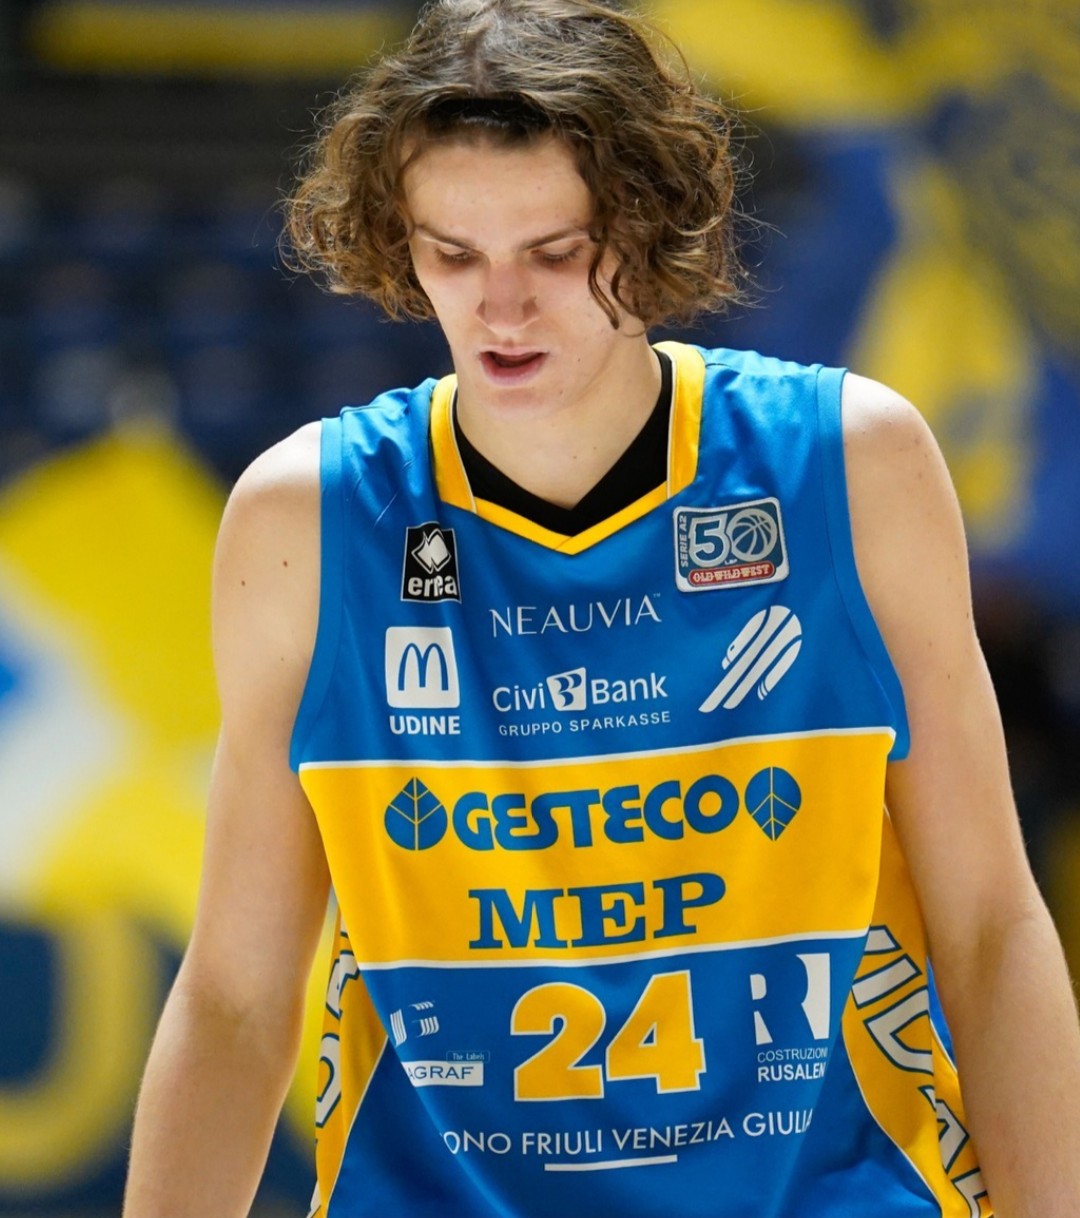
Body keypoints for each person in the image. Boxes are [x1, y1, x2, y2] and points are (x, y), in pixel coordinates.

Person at [122, 1, 1080, 1215]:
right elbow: (235, 996)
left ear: (647, 223)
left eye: (554, 252)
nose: (502, 307)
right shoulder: (306, 520)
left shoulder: (849, 462)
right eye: (453, 255)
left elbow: (990, 927)